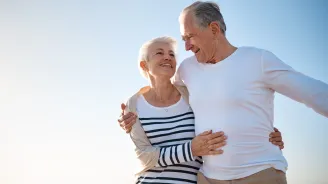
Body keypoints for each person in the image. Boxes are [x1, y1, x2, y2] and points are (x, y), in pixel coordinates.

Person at [120, 1, 328, 184]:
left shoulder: (258, 60)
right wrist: (129, 113)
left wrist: (262, 125)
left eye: (190, 37)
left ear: (213, 29)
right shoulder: (187, 70)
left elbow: (313, 93)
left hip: (259, 174)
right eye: (183, 39)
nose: (187, 46)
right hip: (209, 178)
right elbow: (161, 86)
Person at [121, 36, 285, 184]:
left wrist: (264, 132)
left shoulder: (190, 94)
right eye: (159, 53)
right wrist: (190, 149)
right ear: (144, 64)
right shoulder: (134, 105)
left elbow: (227, 111)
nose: (167, 57)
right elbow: (144, 155)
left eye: (171, 54)